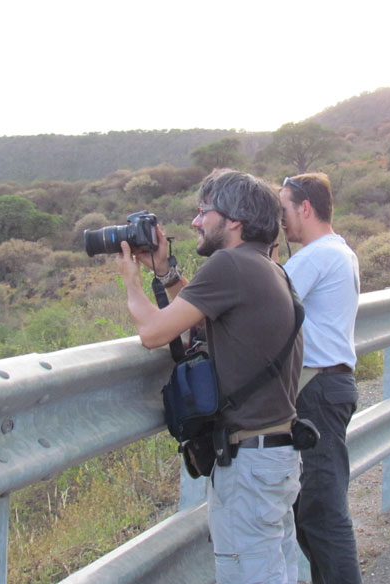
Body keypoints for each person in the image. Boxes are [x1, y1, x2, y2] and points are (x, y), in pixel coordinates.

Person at [114, 168, 304, 584]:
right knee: (275, 570)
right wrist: (164, 270)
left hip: (250, 461)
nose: (196, 222)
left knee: (249, 574)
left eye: (203, 212)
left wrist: (131, 282)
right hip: (274, 453)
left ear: (232, 220)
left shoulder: (230, 264)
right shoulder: (266, 266)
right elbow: (201, 315)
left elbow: (154, 332)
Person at [279, 173, 363, 584]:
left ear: (305, 208)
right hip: (328, 388)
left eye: (283, 210)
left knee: (323, 515)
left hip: (318, 392)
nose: (281, 222)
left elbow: (264, 299)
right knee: (312, 513)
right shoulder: (340, 251)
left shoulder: (314, 257)